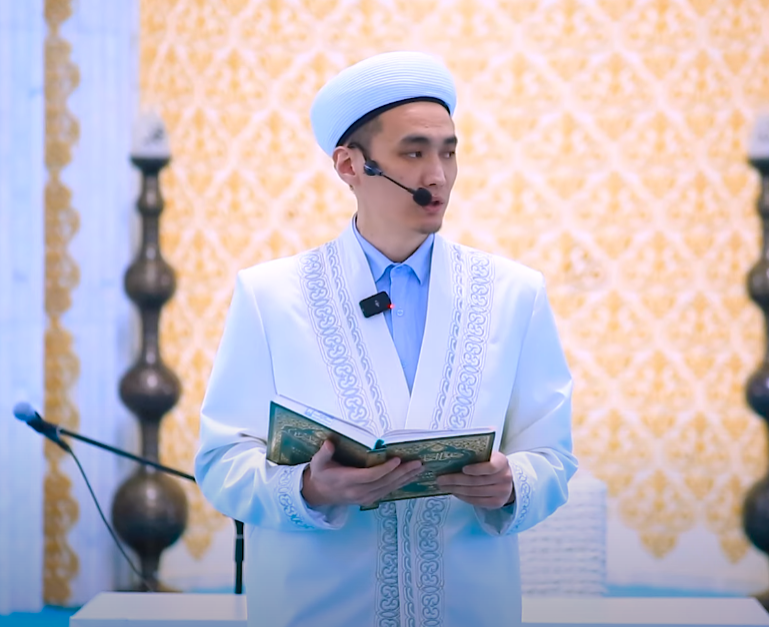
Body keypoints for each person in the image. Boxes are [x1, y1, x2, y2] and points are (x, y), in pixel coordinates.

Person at [194, 50, 577, 627]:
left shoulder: (514, 293)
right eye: (414, 153)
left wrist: (512, 484)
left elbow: (552, 457)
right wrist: (309, 488)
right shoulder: (269, 296)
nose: (437, 176)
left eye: (448, 152)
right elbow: (221, 462)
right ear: (350, 165)